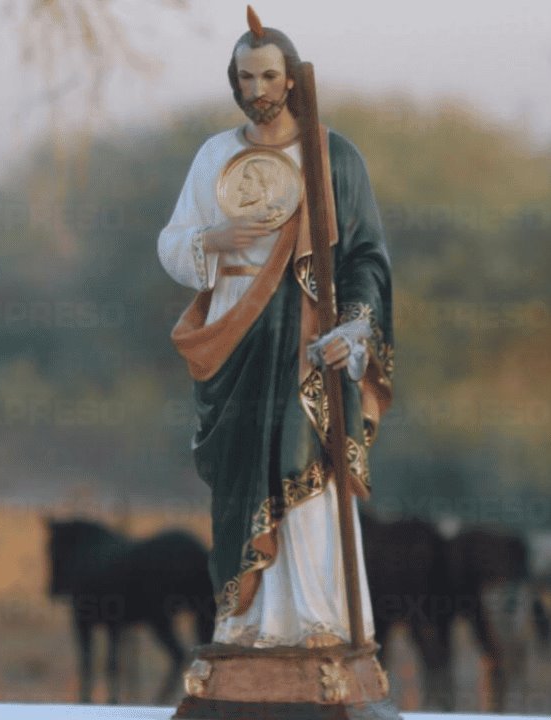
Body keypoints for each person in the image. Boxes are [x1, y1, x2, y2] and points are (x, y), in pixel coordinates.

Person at [157, 10, 393, 650]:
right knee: (240, 477)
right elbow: (172, 245)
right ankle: (243, 624)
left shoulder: (332, 156)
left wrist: (357, 327)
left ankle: (320, 623)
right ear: (233, 82)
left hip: (307, 346)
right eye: (245, 77)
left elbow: (367, 254)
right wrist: (213, 239)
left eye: (268, 75)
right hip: (236, 341)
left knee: (304, 467)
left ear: (291, 81)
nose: (257, 89)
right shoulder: (215, 156)